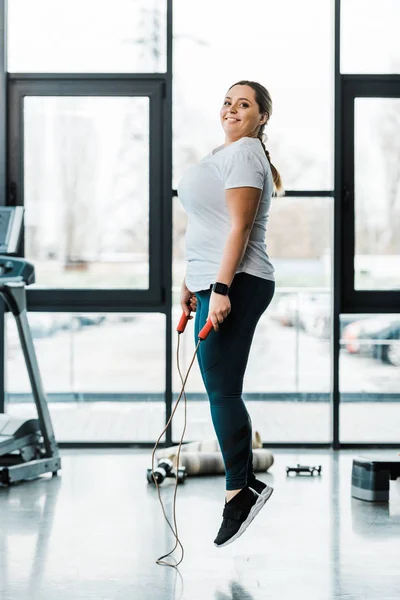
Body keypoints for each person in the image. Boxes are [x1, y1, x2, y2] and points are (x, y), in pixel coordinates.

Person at [177, 80, 284, 548]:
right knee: (219, 389)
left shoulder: (244, 154)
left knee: (222, 391)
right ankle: (243, 487)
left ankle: (240, 491)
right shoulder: (223, 155)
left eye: (244, 104)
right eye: (227, 102)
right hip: (213, 283)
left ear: (262, 116)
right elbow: (207, 225)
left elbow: (239, 227)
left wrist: (220, 288)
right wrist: (191, 282)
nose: (232, 109)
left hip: (237, 283)